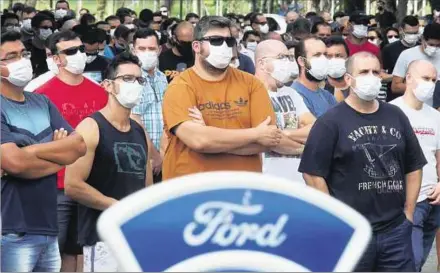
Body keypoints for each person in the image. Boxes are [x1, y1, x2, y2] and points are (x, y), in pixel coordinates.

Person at [299, 52, 426, 272]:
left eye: (376, 72)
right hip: (352, 232)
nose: (371, 77)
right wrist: (334, 219)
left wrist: (408, 213)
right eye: (364, 72)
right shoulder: (331, 121)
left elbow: (414, 166)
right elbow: (312, 172)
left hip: (395, 229)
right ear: (348, 79)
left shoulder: (396, 115)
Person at [1, 30, 86, 272]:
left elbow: (78, 146)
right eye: (11, 56)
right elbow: (14, 163)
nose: (22, 61)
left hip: (47, 228)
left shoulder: (42, 102)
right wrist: (58, 152)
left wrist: (29, 151)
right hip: (11, 228)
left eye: (23, 54)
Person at [162, 16, 281, 180]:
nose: (225, 46)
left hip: (243, 191)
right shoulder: (180, 86)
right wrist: (254, 134)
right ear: (196, 46)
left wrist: (211, 137)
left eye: (229, 41)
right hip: (192, 194)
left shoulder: (252, 84)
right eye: (216, 40)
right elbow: (199, 140)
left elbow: (267, 140)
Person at [65, 52, 153, 272]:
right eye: (127, 79)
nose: (136, 85)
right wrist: (116, 207)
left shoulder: (139, 129)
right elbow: (73, 184)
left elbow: (147, 185)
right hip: (101, 236)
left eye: (139, 80)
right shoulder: (91, 127)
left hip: (135, 234)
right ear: (108, 85)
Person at [35, 30, 108, 272]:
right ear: (56, 58)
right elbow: (38, 147)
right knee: (52, 251)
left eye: (81, 49)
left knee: (82, 251)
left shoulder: (100, 92)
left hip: (94, 185)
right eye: (70, 51)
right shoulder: (41, 96)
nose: (79, 55)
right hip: (57, 187)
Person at [389, 60, 440, 272]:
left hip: (433, 198)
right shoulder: (390, 112)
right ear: (408, 78)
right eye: (424, 78)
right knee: (411, 261)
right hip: (407, 200)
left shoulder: (436, 116)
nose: (429, 84)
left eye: (433, 80)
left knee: (419, 260)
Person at [254, 39, 315, 182]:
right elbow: (271, 141)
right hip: (268, 182)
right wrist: (305, 148)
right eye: (281, 57)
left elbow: (315, 129)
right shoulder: (251, 93)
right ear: (262, 63)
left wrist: (285, 133)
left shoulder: (291, 93)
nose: (288, 62)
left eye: (289, 57)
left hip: (298, 182)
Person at [130, 28, 167, 183]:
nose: (147, 53)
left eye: (151, 49)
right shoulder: (130, 80)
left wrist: (164, 154)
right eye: (142, 49)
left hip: (166, 156)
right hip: (142, 157)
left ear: (159, 50)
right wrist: (154, 155)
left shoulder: (162, 77)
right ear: (133, 50)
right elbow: (134, 120)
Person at [392, 23, 440, 106]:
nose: (434, 48)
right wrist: (418, 88)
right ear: (422, 39)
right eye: (431, 44)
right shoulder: (407, 55)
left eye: (438, 45)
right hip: (412, 108)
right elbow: (395, 86)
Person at [292, 36, 337, 118]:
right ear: (302, 61)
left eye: (325, 55)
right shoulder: (294, 95)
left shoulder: (326, 95)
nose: (323, 59)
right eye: (317, 55)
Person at [382, 16, 420, 102]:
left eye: (415, 33)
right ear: (401, 30)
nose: (413, 36)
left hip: (417, 98)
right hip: (395, 98)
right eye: (409, 33)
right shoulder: (389, 49)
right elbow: (382, 76)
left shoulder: (422, 48)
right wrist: (400, 75)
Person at [324, 36, 350, 101]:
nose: (334, 60)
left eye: (338, 56)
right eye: (329, 56)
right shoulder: (318, 87)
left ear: (348, 58)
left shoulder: (358, 87)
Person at [30, 11, 55, 77]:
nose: (49, 31)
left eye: (51, 28)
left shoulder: (56, 48)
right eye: (45, 28)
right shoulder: (26, 49)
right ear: (35, 29)